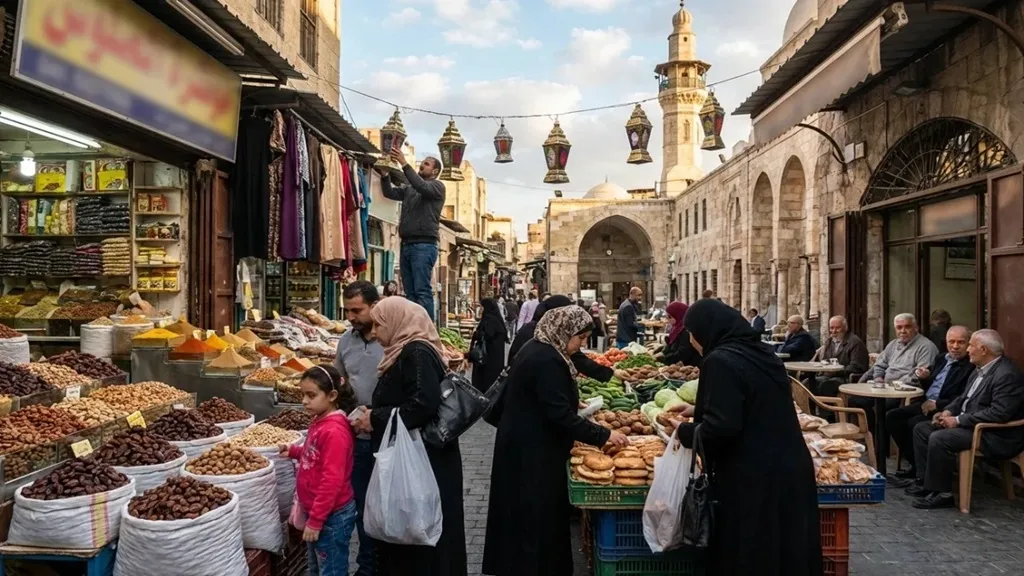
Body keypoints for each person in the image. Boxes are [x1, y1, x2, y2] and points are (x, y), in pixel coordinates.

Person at [672, 299, 822, 575]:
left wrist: (684, 431)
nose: (691, 341)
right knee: (787, 549)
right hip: (790, 468)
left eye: (692, 334)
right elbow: (755, 400)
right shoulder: (760, 353)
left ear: (706, 331)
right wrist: (700, 407)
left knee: (754, 551)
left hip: (754, 475)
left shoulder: (720, 361)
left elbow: (722, 429)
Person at [482, 307, 629, 576]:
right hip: (532, 451)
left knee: (525, 516)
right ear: (565, 332)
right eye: (580, 338)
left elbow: (550, 401)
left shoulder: (541, 346)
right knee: (535, 517)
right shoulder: (547, 359)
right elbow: (558, 414)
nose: (582, 344)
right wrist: (604, 435)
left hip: (525, 443)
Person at [350, 297, 467, 576]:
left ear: (397, 321)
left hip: (424, 460)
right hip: (417, 456)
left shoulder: (416, 352)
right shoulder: (406, 351)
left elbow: (423, 404)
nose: (375, 332)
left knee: (423, 535)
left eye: (379, 324)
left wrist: (375, 418)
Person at [907, 329, 1024, 509]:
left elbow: (999, 413)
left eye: (970, 345)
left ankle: (943, 494)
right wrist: (947, 411)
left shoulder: (1006, 374)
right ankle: (927, 484)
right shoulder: (979, 369)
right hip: (972, 425)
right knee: (922, 429)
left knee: (940, 438)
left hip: (993, 434)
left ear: (984, 350)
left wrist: (959, 420)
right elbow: (963, 398)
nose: (968, 349)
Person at [280, 365, 358, 576]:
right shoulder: (320, 422)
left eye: (311, 395)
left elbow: (332, 480)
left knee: (331, 569)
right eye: (302, 394)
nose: (304, 401)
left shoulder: (334, 431)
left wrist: (315, 521)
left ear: (332, 395)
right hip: (319, 512)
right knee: (316, 566)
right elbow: (314, 454)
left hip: (331, 517)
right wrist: (295, 451)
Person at [333, 281, 382, 576]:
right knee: (361, 505)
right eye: (347, 310)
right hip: (356, 436)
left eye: (357, 310)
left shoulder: (391, 337)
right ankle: (367, 566)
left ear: (374, 307)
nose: (351, 317)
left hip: (387, 435)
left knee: (385, 506)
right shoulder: (346, 341)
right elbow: (339, 382)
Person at [888, 326, 974, 483]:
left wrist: (937, 404)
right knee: (893, 416)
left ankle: (924, 474)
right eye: (951, 342)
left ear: (969, 344)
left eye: (960, 342)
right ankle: (915, 465)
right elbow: (933, 385)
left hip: (945, 408)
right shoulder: (942, 358)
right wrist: (925, 377)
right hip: (925, 401)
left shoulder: (970, 366)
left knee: (915, 424)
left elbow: (963, 397)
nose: (955, 346)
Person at [378, 146, 446, 320]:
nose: (422, 166)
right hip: (407, 244)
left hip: (424, 245)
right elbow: (390, 192)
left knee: (422, 290)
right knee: (410, 292)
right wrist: (385, 176)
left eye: (426, 164)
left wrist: (403, 162)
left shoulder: (437, 187)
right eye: (422, 163)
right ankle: (412, 327)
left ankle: (426, 330)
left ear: (435, 171)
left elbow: (421, 185)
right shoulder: (410, 188)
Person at [854, 313, 939, 432]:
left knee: (879, 408)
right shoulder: (893, 344)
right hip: (883, 389)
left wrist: (891, 385)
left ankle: (880, 443)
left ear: (916, 328)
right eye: (899, 327)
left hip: (904, 393)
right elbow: (879, 364)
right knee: (856, 400)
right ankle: (873, 438)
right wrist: (878, 377)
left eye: (907, 327)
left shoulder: (926, 346)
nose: (903, 331)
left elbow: (918, 375)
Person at [507, 295, 618, 383]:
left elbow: (576, 357)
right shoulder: (541, 339)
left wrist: (609, 373)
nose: (583, 344)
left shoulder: (554, 336)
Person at [812, 316, 870, 397]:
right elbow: (825, 360)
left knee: (827, 386)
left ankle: (828, 409)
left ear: (845, 328)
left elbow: (857, 366)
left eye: (837, 328)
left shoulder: (855, 343)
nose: (834, 331)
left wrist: (836, 371)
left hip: (845, 378)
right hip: (828, 376)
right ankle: (811, 409)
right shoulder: (829, 341)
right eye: (831, 328)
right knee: (809, 383)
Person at [470, 298, 508, 393]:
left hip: (488, 358)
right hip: (494, 357)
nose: (481, 309)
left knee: (486, 381)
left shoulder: (490, 320)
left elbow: (487, 335)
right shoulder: (496, 320)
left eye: (482, 307)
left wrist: (475, 334)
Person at [658, 301, 700, 366]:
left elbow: (683, 352)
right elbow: (671, 345)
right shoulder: (676, 327)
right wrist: (663, 352)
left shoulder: (687, 329)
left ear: (678, 315)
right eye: (667, 317)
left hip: (688, 366)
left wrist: (664, 359)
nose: (668, 320)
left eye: (670, 317)